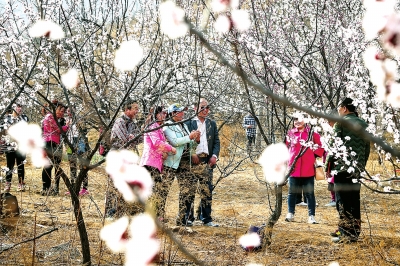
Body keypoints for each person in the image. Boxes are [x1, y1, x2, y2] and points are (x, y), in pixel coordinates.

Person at [326, 98, 370, 243]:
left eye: (339, 108)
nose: (338, 111)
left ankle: (345, 233)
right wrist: (362, 165)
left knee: (342, 201)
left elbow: (334, 146)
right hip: (357, 169)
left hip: (342, 168)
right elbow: (367, 148)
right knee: (354, 200)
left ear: (344, 108)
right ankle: (354, 232)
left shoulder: (341, 123)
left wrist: (327, 165)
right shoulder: (364, 124)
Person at [162, 103, 200, 226]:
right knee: (164, 190)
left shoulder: (183, 125)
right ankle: (159, 217)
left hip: (184, 161)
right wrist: (189, 136)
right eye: (180, 112)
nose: (182, 114)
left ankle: (183, 218)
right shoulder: (167, 126)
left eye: (183, 111)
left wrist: (196, 139)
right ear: (172, 113)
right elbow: (175, 142)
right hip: (171, 162)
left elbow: (188, 143)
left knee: (187, 189)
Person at [105, 99, 143, 218]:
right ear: (127, 110)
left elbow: (140, 139)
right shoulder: (119, 122)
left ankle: (120, 211)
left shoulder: (133, 123)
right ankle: (110, 213)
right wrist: (131, 138)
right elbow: (125, 140)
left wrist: (132, 138)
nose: (137, 111)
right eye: (135, 108)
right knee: (113, 184)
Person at [285, 112, 324, 224]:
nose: (297, 121)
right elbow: (286, 148)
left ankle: (311, 216)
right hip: (293, 169)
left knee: (309, 194)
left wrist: (313, 154)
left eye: (300, 119)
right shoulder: (291, 133)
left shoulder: (312, 133)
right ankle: (290, 213)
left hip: (308, 170)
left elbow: (321, 147)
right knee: (292, 193)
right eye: (295, 119)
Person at [186, 98, 220, 227]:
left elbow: (216, 141)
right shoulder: (188, 123)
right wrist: (191, 154)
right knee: (190, 190)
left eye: (207, 108)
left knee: (207, 190)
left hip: (207, 161)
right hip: (193, 161)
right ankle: (188, 218)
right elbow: (184, 140)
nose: (205, 110)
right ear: (195, 108)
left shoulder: (212, 123)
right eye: (202, 107)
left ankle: (206, 218)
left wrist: (214, 156)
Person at [139, 106, 177, 220]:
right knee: (156, 189)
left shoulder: (159, 127)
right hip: (149, 162)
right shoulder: (151, 127)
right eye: (162, 113)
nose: (164, 115)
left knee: (156, 189)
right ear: (156, 115)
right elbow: (156, 143)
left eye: (165, 113)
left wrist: (164, 152)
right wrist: (170, 148)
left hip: (156, 163)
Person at [41, 100, 68, 196]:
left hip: (57, 144)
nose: (62, 112)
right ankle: (46, 188)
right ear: (55, 109)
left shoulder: (60, 119)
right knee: (48, 166)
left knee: (57, 166)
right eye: (61, 110)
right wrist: (67, 126)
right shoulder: (49, 116)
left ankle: (55, 187)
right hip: (49, 143)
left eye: (64, 111)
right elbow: (58, 129)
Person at [2, 104, 29, 192]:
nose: (20, 108)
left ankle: (21, 184)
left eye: (21, 107)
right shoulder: (7, 118)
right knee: (10, 165)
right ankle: (8, 184)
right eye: (18, 106)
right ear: (13, 107)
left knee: (20, 164)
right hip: (10, 144)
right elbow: (4, 131)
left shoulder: (24, 118)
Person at [65, 107, 90, 196]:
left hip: (80, 144)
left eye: (71, 110)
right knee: (72, 166)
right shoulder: (66, 120)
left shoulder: (80, 120)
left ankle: (84, 188)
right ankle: (73, 187)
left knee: (82, 166)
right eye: (67, 111)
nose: (69, 112)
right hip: (69, 144)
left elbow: (84, 132)